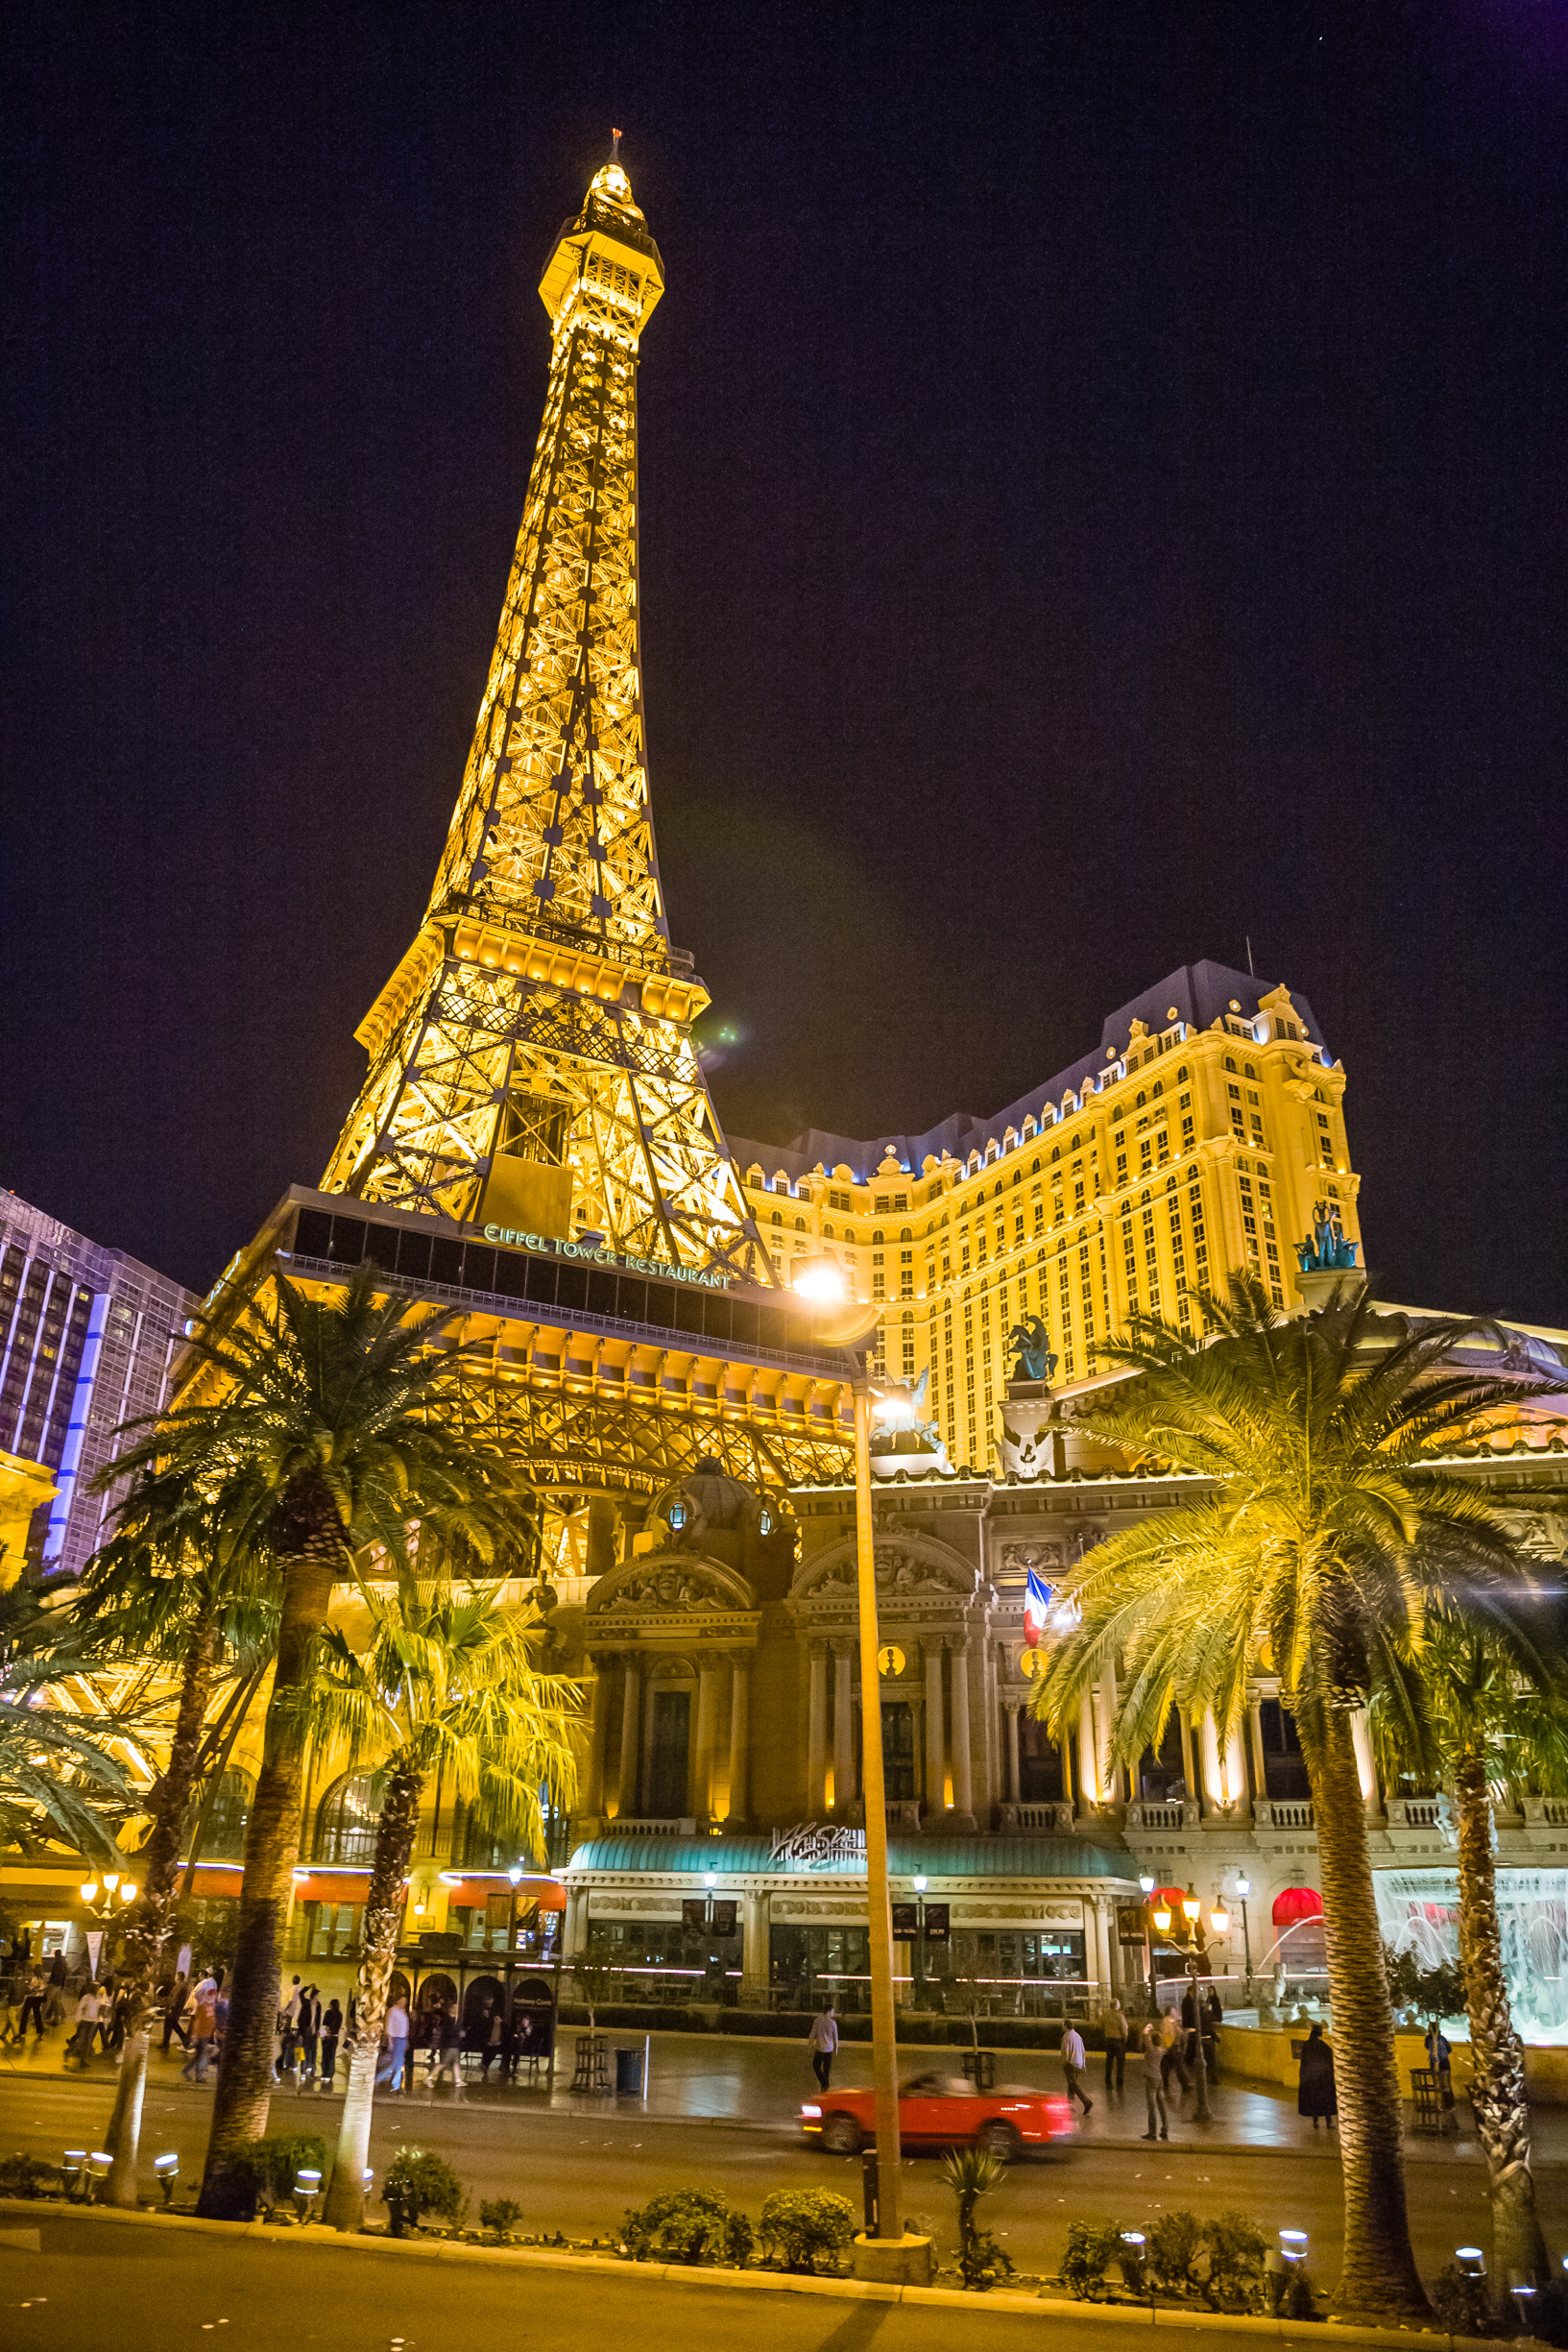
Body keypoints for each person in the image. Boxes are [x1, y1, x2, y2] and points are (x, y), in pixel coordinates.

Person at [1297, 2022, 1337, 2129]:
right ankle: (1328, 2123)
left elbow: (1304, 2062)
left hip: (1310, 2079)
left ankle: (1315, 2122)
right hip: (1322, 2079)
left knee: (1313, 2101)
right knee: (1326, 2101)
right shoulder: (1322, 2045)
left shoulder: (1307, 2045)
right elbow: (1329, 2057)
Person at [1140, 2019, 1169, 2141]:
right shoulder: (1162, 2051)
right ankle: (1165, 2129)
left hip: (1151, 2080)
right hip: (1159, 2079)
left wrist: (1148, 2027)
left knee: (1151, 2106)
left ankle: (1152, 2132)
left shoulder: (1151, 2050)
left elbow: (1144, 2035)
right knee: (1161, 2105)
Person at [181, 1987, 217, 2084]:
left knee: (199, 2056)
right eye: (211, 1995)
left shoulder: (211, 2006)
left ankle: (186, 2071)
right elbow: (197, 2021)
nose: (212, 1997)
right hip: (201, 2035)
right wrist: (194, 2035)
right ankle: (198, 2076)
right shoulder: (202, 2006)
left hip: (206, 2035)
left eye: (213, 1995)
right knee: (201, 2056)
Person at [375, 1997, 410, 2091]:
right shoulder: (393, 2011)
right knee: (396, 2062)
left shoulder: (402, 2012)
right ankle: (382, 2079)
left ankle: (395, 2084)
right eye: (402, 2000)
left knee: (399, 2062)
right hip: (396, 2039)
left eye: (405, 2001)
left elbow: (405, 2027)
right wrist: (390, 2041)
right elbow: (389, 2027)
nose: (404, 2002)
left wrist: (406, 2039)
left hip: (402, 2039)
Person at [1059, 2021, 1094, 2115]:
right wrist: (1083, 2064)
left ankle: (1086, 2102)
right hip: (1078, 2063)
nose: (1062, 2028)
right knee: (1071, 2084)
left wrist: (1065, 2061)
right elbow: (1082, 2050)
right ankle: (1070, 2104)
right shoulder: (1078, 2036)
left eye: (1062, 2026)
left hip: (1070, 2063)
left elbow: (1066, 2050)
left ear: (1066, 2026)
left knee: (1073, 2084)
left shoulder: (1066, 2036)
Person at [64, 1983, 102, 2069]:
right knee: (82, 2042)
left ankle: (82, 2060)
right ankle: (69, 2053)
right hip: (85, 2022)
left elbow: (98, 2010)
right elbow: (80, 2008)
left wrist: (97, 2020)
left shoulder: (98, 1998)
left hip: (93, 2023)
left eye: (97, 1987)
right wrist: (78, 2020)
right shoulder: (86, 1997)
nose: (96, 1989)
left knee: (88, 2042)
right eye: (95, 1987)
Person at [807, 2004, 839, 2093]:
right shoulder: (833, 2023)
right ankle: (825, 2085)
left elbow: (812, 2034)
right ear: (829, 2011)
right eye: (833, 2011)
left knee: (816, 2066)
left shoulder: (817, 2021)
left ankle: (824, 2085)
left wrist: (809, 2046)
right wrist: (836, 2048)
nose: (833, 2013)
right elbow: (835, 2037)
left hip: (819, 2048)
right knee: (826, 2070)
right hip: (829, 2049)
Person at [1101, 1999, 1128, 2093]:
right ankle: (1119, 2083)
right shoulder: (1120, 2016)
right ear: (1117, 2005)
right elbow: (1124, 2029)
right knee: (1120, 2063)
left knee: (1109, 2061)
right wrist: (1125, 2039)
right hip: (1118, 2041)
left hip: (1108, 2040)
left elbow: (1100, 2025)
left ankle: (1108, 2082)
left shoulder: (1105, 2015)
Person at [161, 1974, 190, 2054]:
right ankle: (165, 2043)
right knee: (172, 2026)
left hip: (173, 2010)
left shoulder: (180, 1986)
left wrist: (171, 2008)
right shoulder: (182, 1985)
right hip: (175, 2010)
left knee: (171, 2026)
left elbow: (176, 1998)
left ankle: (185, 2040)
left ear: (178, 1977)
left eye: (175, 1976)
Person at [298, 1986, 321, 2087]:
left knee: (313, 2051)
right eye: (317, 1995)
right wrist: (309, 1986)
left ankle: (312, 2071)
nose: (318, 1997)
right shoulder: (306, 2003)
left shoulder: (318, 2005)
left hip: (314, 2032)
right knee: (304, 2051)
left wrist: (318, 2030)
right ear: (313, 1996)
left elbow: (318, 2018)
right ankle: (303, 2071)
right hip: (306, 2031)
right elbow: (301, 1993)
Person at [319, 1998, 343, 2092]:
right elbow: (338, 2026)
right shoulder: (339, 2014)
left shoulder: (328, 2013)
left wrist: (326, 2032)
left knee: (325, 2056)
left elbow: (324, 2024)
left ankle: (324, 2073)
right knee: (331, 2056)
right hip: (334, 2037)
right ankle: (329, 2074)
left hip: (326, 2037)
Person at [17, 1969, 47, 2042]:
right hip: (39, 1998)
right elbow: (43, 1988)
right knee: (37, 2014)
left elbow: (31, 1988)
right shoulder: (42, 1978)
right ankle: (40, 2030)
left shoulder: (34, 1978)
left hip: (32, 1997)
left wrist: (27, 1986)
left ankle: (22, 2030)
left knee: (25, 2014)